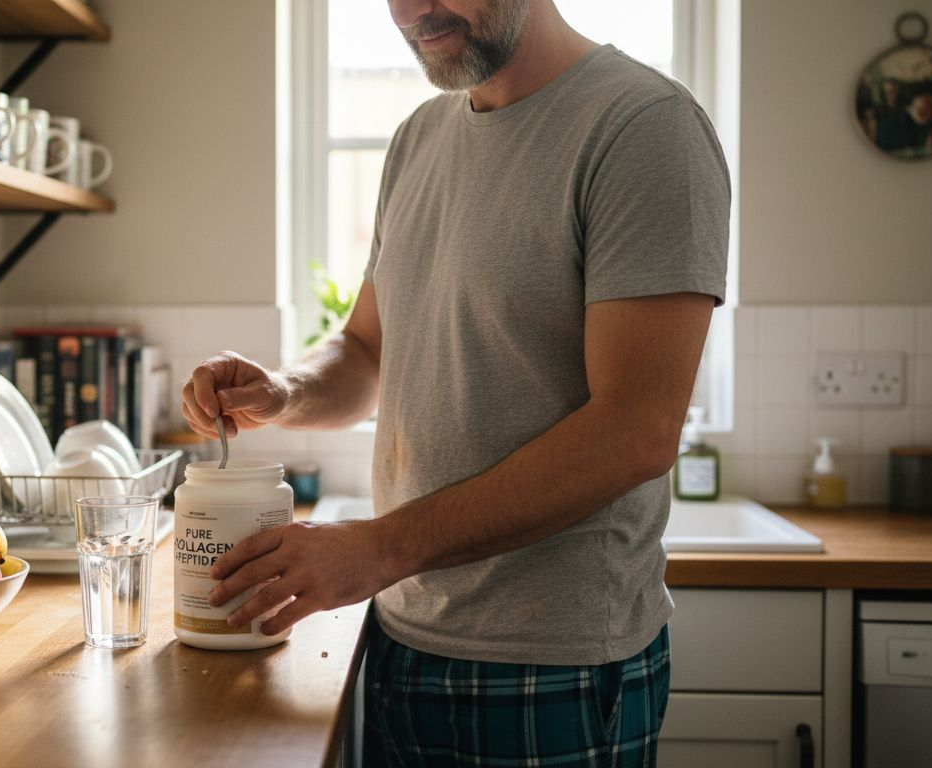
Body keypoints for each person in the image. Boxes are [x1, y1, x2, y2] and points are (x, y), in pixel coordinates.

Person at [181, 0, 729, 764]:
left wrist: (376, 549)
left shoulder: (643, 126)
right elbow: (368, 349)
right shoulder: (419, 138)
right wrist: (284, 390)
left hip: (551, 668)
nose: (410, 10)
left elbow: (635, 433)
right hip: (405, 637)